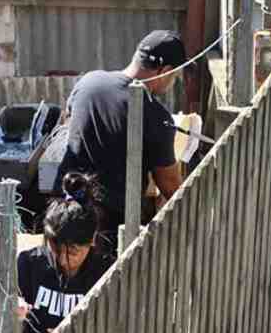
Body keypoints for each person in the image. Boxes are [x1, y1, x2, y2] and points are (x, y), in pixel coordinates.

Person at [56, 29, 186, 236]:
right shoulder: (155, 115)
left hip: (64, 203)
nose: (174, 82)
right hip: (110, 222)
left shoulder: (89, 81)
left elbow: (68, 122)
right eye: (175, 76)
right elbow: (170, 185)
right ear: (165, 71)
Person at [0, 173, 114, 333]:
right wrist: (8, 304)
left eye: (73, 252)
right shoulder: (32, 263)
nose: (62, 260)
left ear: (91, 240)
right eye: (55, 249)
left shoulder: (107, 272)